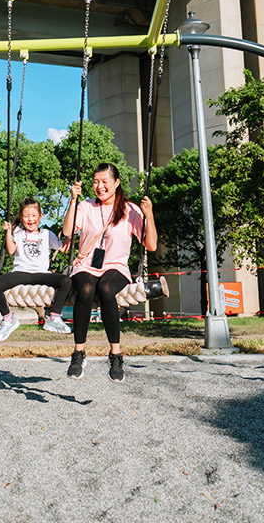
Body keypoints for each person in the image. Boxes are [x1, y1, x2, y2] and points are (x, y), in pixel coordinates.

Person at [62, 163, 156, 381]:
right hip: (86, 266)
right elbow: (67, 231)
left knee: (105, 289)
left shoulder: (131, 209)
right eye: (95, 182)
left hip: (116, 267)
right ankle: (79, 352)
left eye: (104, 182)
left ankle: (115, 354)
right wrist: (73, 201)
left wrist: (149, 216)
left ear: (116, 183)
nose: (100, 186)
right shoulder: (85, 206)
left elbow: (150, 245)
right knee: (85, 288)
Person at [0, 198, 73, 341]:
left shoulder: (47, 234)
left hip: (41, 274)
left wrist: (70, 235)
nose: (30, 219)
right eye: (26, 216)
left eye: (34, 216)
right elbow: (10, 250)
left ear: (40, 216)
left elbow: (64, 249)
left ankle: (54, 317)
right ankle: (8, 318)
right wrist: (8, 232)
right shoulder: (18, 232)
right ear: (21, 218)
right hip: (21, 272)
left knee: (66, 281)